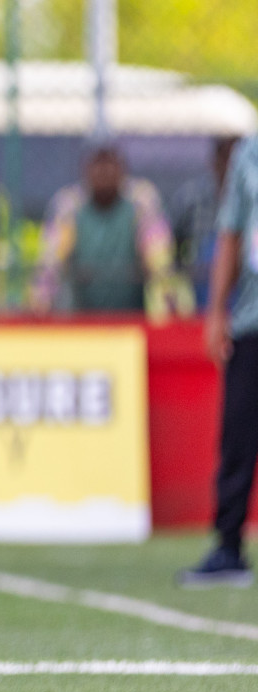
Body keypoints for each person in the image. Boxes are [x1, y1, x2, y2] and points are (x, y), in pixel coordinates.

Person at [179, 137, 258, 586]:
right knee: (238, 436)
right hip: (251, 319)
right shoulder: (249, 154)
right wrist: (214, 312)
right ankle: (229, 548)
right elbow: (230, 233)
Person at [33, 145, 173, 314]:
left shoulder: (142, 202)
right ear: (86, 170)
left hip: (132, 318)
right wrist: (40, 303)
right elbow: (49, 262)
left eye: (110, 164)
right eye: (98, 164)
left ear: (122, 168)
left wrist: (168, 298)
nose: (104, 172)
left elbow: (159, 260)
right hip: (81, 319)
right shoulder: (68, 206)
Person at [171, 136, 238, 311]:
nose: (233, 168)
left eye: (238, 162)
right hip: (197, 300)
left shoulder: (253, 202)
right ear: (215, 162)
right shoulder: (190, 199)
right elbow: (171, 247)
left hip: (242, 303)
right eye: (227, 160)